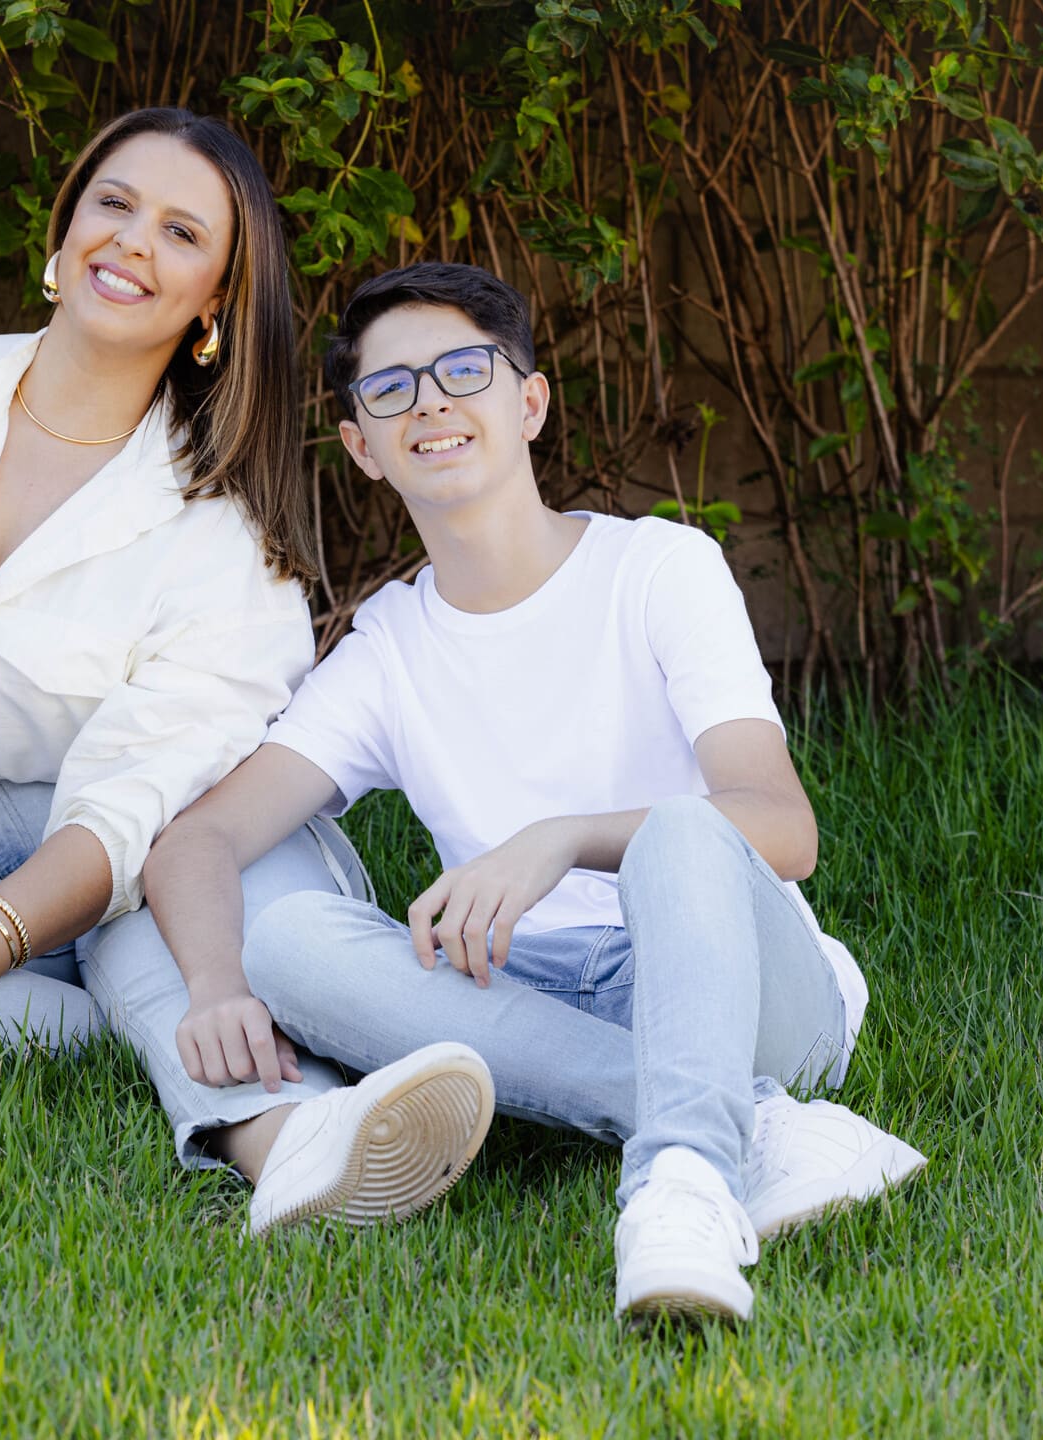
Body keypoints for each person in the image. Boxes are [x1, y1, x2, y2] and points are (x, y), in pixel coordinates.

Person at [141, 262, 926, 1319]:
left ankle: (680, 1191)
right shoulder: (390, 651)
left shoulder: (659, 570)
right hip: (535, 991)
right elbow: (199, 841)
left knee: (684, 834)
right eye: (391, 389)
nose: (431, 402)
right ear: (363, 448)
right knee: (287, 948)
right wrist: (212, 986)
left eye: (464, 369)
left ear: (529, 401)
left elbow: (782, 829)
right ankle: (758, 1127)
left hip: (728, 975)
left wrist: (560, 839)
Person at [0, 108, 492, 1219]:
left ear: (216, 297)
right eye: (113, 205)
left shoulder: (226, 544)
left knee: (161, 903)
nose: (130, 244)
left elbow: (125, 814)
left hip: (137, 834)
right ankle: (123, 1030)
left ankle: (291, 1140)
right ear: (65, 229)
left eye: (181, 233)